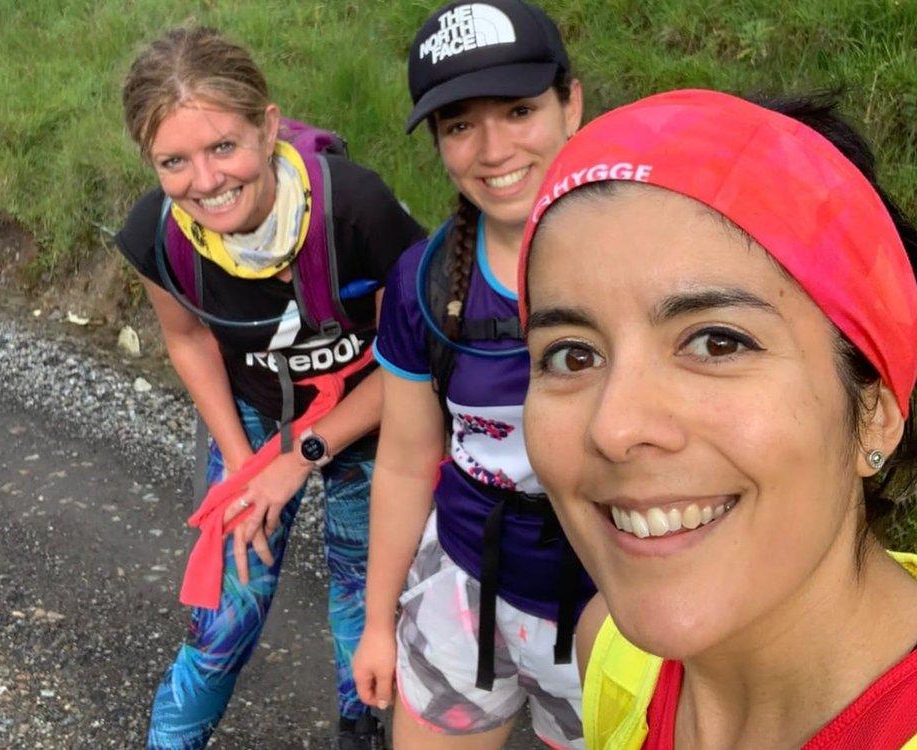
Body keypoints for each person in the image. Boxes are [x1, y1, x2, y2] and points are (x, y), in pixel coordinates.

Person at [518, 89, 917, 748]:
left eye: (717, 343)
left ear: (873, 412)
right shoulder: (614, 654)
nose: (613, 428)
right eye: (572, 354)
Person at [115, 26, 424, 750]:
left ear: (269, 126)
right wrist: (246, 468)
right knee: (227, 611)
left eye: (224, 146)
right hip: (257, 416)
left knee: (363, 598)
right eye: (174, 161)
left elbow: (411, 359)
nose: (207, 181)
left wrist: (302, 457)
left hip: (374, 417)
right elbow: (189, 338)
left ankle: (362, 729)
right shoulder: (157, 234)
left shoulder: (356, 209)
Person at [352, 2, 594, 747]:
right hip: (458, 586)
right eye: (459, 125)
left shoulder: (652, 263)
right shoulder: (423, 282)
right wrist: (377, 622)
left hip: (609, 612)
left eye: (519, 110)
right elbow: (402, 461)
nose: (492, 150)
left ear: (571, 103)